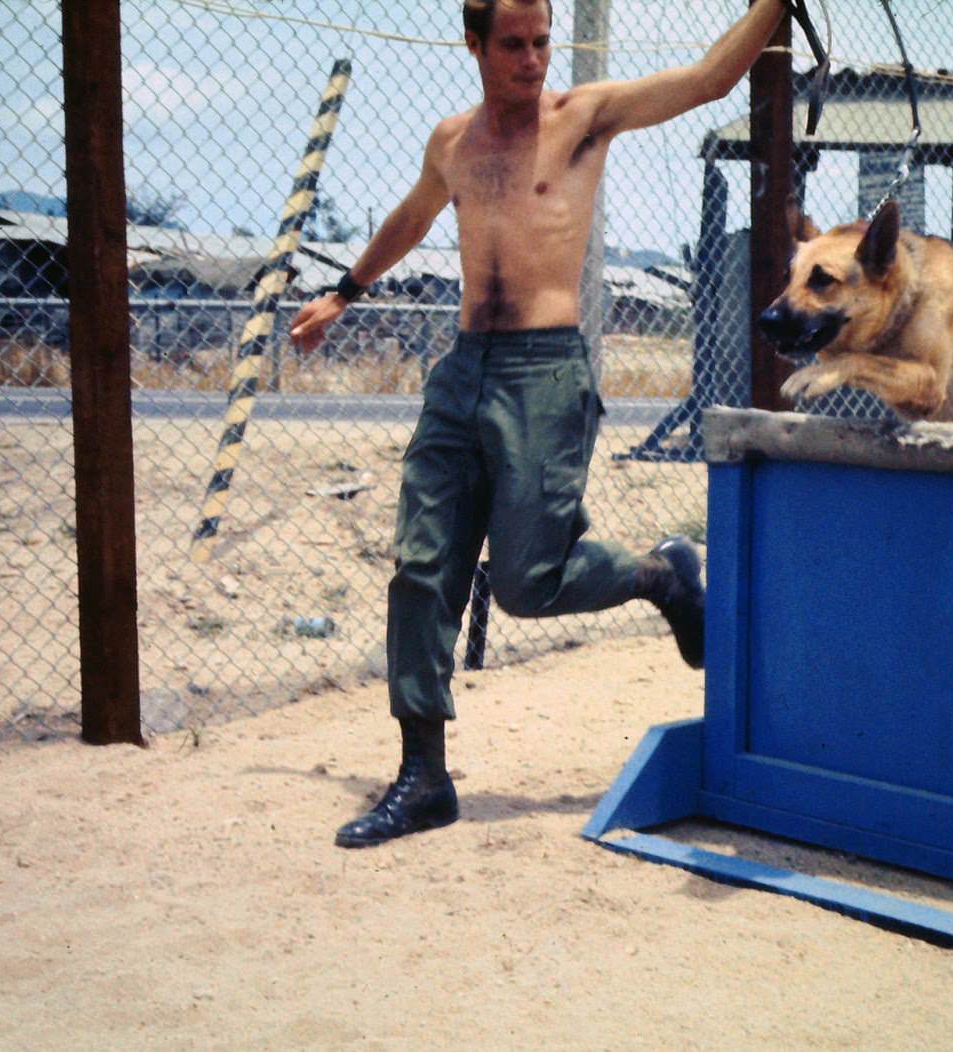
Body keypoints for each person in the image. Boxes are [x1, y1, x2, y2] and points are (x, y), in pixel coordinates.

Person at [290, 0, 789, 848]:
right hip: (462, 372)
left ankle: (661, 575)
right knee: (420, 566)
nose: (531, 61)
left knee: (525, 582)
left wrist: (772, 3)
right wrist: (346, 289)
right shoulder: (453, 141)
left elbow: (709, 79)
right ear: (475, 45)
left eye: (541, 42)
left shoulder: (584, 119)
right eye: (512, 45)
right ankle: (423, 777)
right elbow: (414, 217)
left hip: (545, 374)